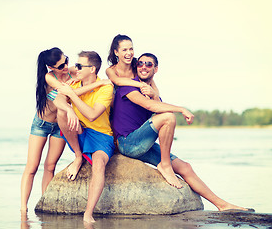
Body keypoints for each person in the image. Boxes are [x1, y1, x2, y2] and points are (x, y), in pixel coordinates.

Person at [112, 52, 252, 211]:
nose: (144, 67)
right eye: (141, 63)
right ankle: (165, 165)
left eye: (149, 64)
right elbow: (152, 108)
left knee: (185, 167)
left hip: (141, 143)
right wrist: (182, 109)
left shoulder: (150, 90)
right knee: (169, 117)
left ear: (156, 69)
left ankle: (222, 205)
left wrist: (154, 95)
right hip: (127, 142)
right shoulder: (128, 85)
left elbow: (157, 107)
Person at [20, 48, 110, 213]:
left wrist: (95, 82)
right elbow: (65, 94)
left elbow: (83, 80)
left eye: (66, 61)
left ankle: (44, 201)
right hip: (42, 123)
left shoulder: (72, 70)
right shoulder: (49, 77)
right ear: (51, 67)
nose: (66, 66)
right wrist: (98, 84)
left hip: (60, 125)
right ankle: (23, 209)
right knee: (32, 167)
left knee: (50, 165)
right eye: (61, 65)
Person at [47, 51, 115, 223]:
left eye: (79, 66)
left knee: (98, 164)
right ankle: (78, 156)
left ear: (92, 69)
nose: (74, 68)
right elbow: (58, 101)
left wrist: (72, 95)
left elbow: (92, 115)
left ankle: (88, 213)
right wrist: (69, 107)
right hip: (80, 132)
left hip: (101, 135)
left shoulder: (106, 87)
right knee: (62, 112)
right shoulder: (74, 82)